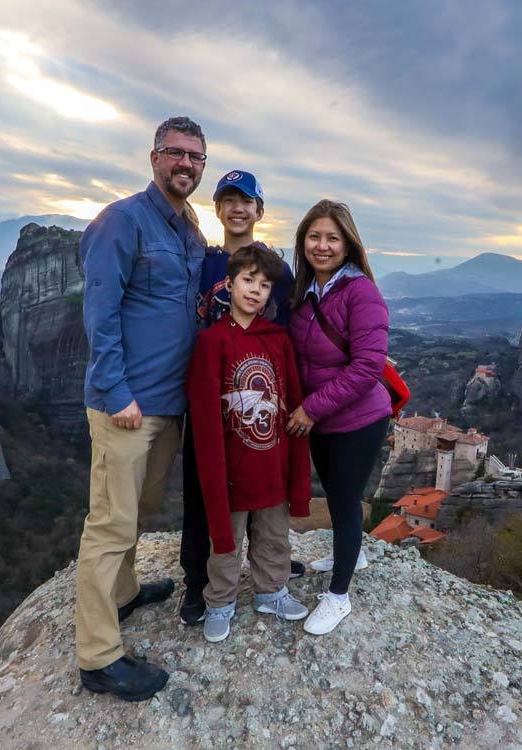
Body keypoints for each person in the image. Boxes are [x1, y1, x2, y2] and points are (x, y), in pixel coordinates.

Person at [74, 116, 208, 702]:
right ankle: (98, 657)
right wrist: (116, 390)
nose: (185, 164)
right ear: (154, 157)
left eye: (195, 157)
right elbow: (100, 310)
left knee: (141, 507)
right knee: (110, 522)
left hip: (169, 404)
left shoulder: (187, 227)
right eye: (175, 154)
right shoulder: (123, 221)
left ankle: (124, 593)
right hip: (126, 404)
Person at [178, 170, 305, 626]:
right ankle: (201, 585)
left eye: (246, 201)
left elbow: (290, 327)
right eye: (228, 200)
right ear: (217, 209)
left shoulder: (278, 269)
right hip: (209, 391)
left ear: (259, 211)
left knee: (267, 493)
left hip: (261, 395)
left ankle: (271, 578)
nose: (237, 208)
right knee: (206, 491)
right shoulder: (204, 262)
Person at [286, 200, 391, 636]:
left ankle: (338, 596)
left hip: (358, 420)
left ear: (348, 245)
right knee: (334, 493)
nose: (322, 245)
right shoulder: (305, 293)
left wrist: (310, 408)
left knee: (345, 502)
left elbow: (368, 367)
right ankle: (355, 553)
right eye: (314, 236)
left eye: (332, 237)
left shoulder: (360, 291)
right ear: (303, 242)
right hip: (323, 420)